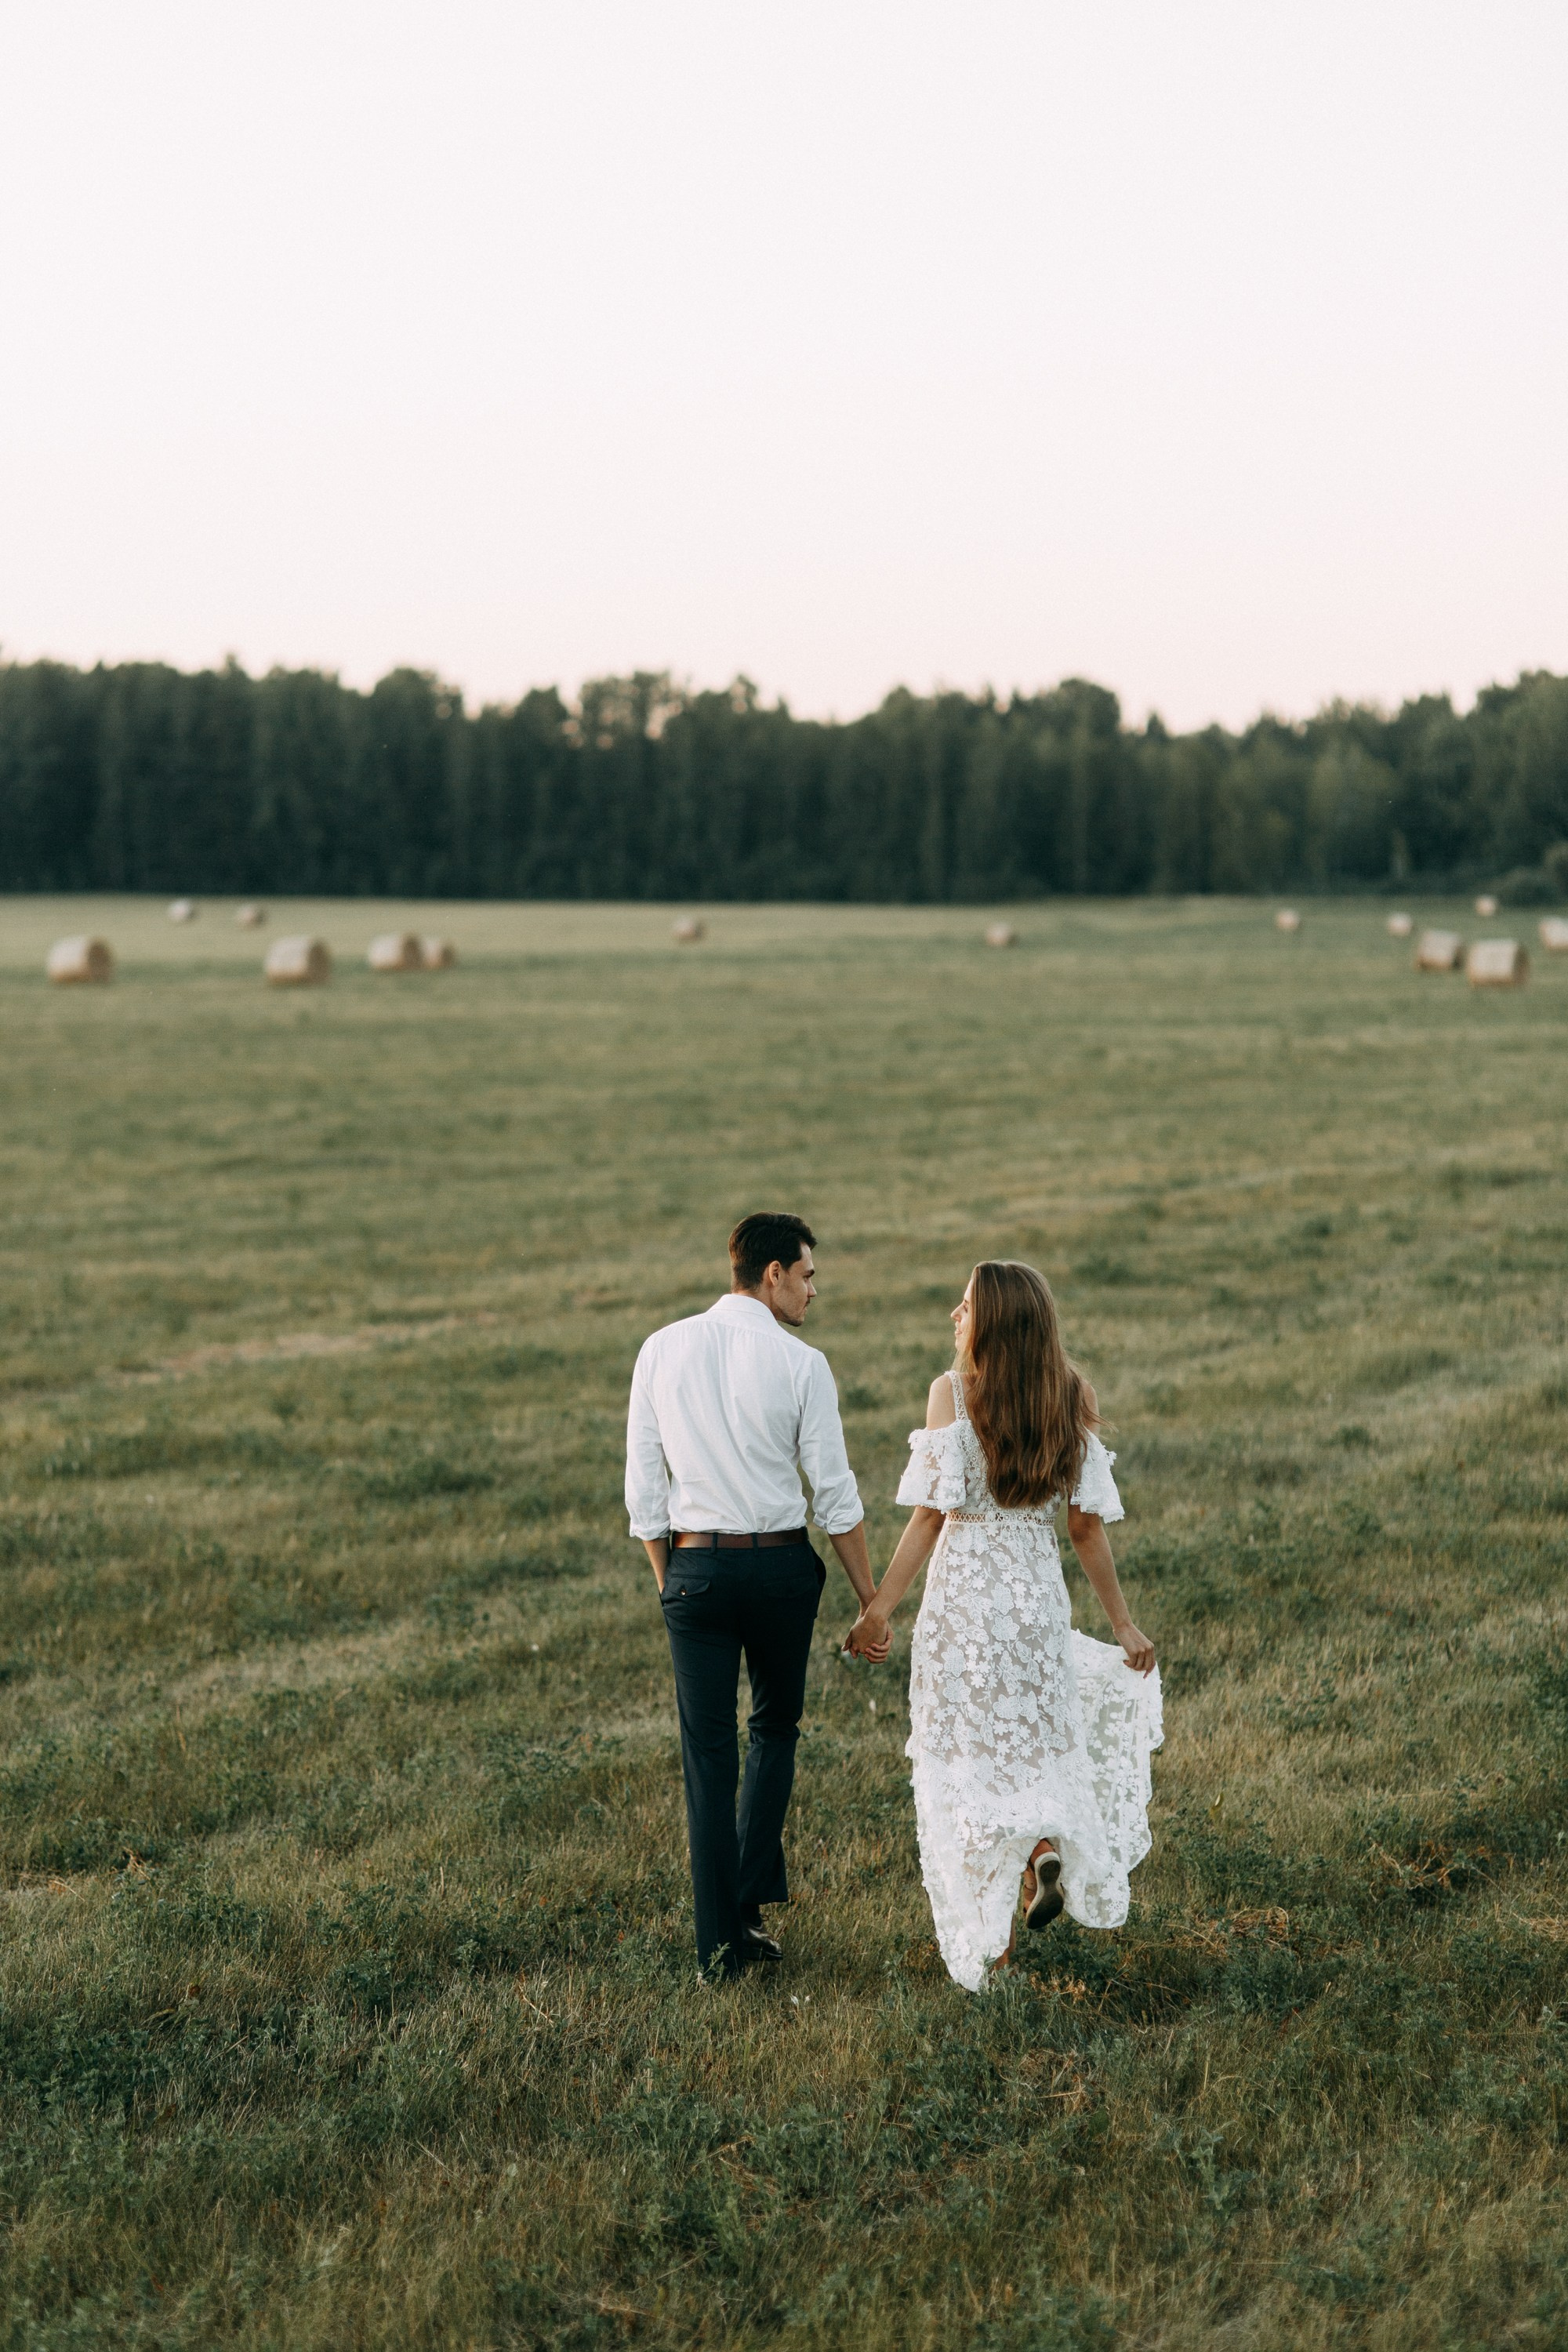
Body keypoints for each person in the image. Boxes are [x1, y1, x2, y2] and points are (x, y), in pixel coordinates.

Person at [846, 1261, 1161, 1991]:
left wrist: (879, 1609)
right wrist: (1123, 1625)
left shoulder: (952, 1393)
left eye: (964, 1306)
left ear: (991, 1320)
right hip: (1034, 1600)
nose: (954, 1316)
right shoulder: (1071, 1394)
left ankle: (995, 1953)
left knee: (968, 1761)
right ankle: (1041, 1848)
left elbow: (931, 1516)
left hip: (964, 1601)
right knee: (1034, 1746)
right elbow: (1085, 1528)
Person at [626, 1213, 876, 1980]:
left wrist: (672, 1584)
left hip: (693, 1568)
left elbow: (644, 1492)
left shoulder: (659, 1348)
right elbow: (833, 1497)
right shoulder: (802, 1364)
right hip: (777, 1571)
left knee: (706, 1759)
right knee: (773, 1727)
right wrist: (870, 1600)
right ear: (771, 1275)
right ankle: (742, 1905)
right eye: (806, 1276)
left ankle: (720, 1950)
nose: (812, 1292)